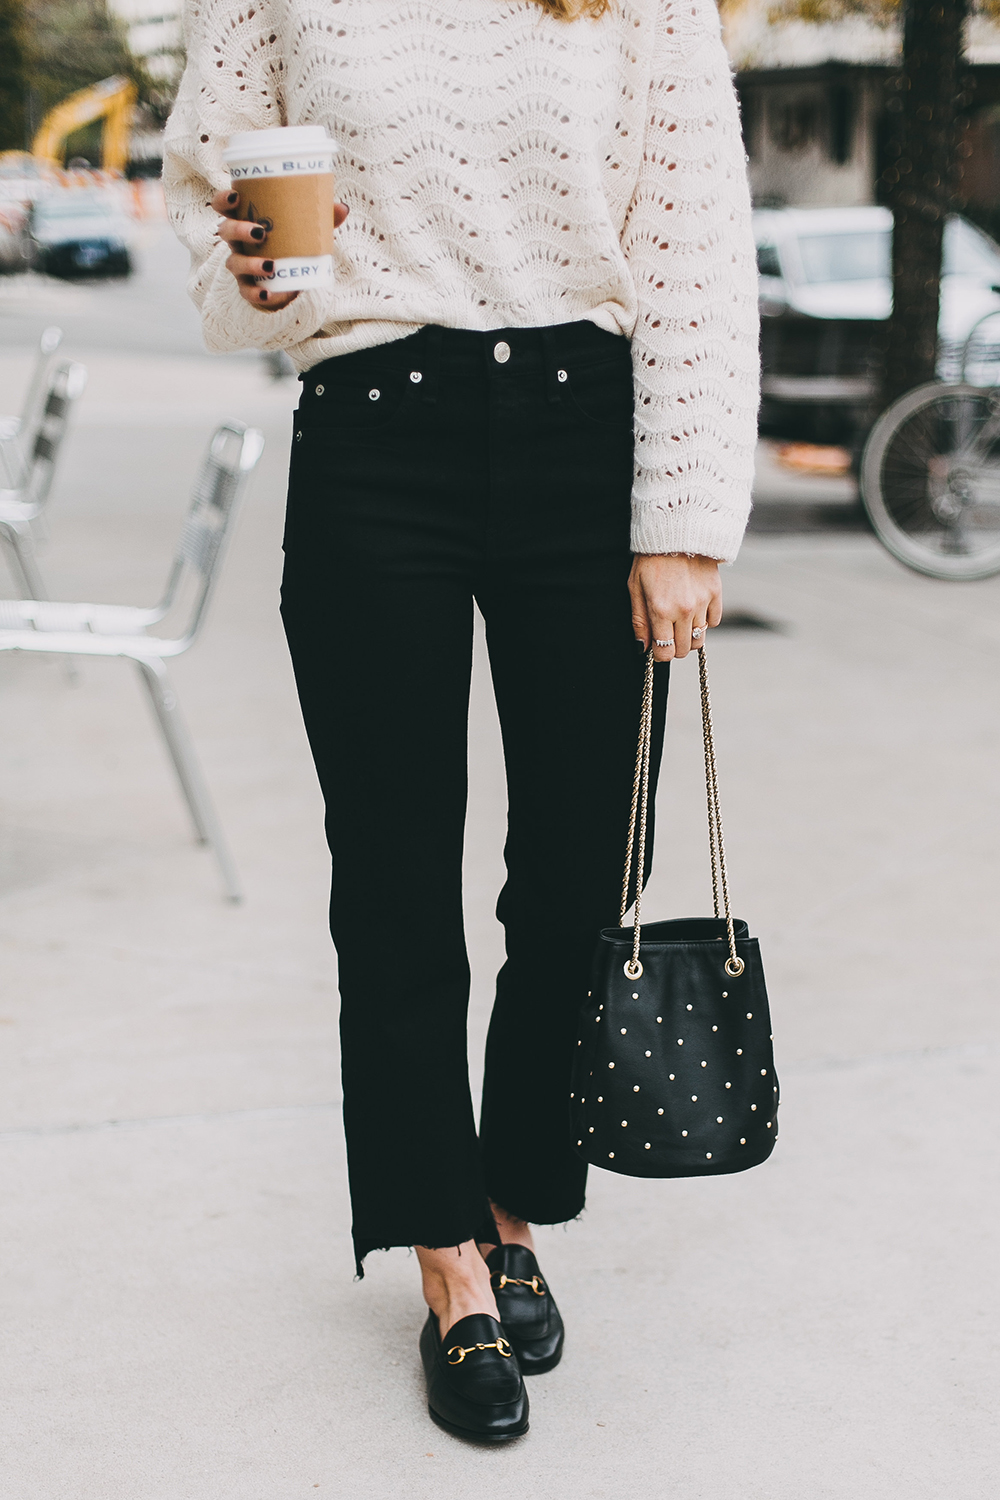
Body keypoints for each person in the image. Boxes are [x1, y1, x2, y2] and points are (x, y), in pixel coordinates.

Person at [164, 0, 759, 1443]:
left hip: (586, 435)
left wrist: (684, 519)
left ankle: (515, 1200)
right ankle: (448, 1260)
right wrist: (245, 268)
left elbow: (693, 244)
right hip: (373, 436)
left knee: (574, 884)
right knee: (392, 887)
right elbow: (211, 211)